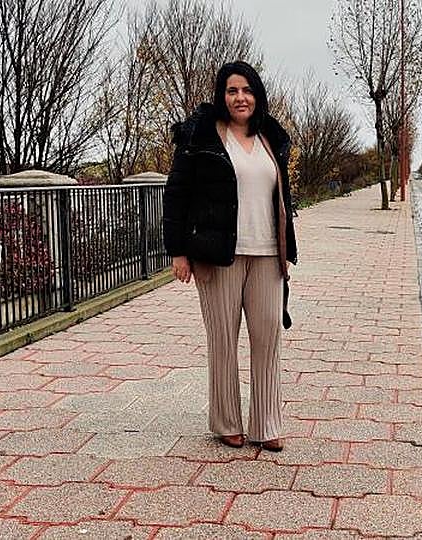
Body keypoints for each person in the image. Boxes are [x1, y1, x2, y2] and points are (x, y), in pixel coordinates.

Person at [163, 61, 298, 452]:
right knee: (223, 338)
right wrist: (178, 251)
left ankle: (266, 423)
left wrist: (288, 247)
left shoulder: (271, 137)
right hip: (218, 253)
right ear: (222, 96)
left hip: (268, 253)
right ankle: (226, 421)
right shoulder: (202, 135)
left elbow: (283, 197)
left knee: (268, 334)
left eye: (247, 90)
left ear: (258, 95)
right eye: (232, 91)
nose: (241, 98)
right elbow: (176, 194)